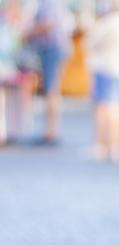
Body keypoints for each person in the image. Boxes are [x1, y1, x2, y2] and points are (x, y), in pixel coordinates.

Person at [86, 0, 119, 162]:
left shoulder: (111, 21)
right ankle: (115, 145)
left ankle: (102, 144)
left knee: (104, 107)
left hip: (106, 67)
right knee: (117, 107)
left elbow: (91, 40)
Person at [27, 0, 70, 145]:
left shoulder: (50, 2)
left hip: (51, 47)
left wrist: (28, 31)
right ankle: (49, 130)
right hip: (50, 47)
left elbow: (50, 24)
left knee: (51, 89)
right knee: (50, 89)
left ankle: (51, 131)